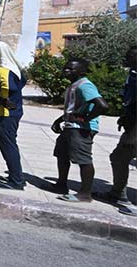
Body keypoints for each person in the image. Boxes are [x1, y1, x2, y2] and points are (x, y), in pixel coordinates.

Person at [51, 58, 108, 203]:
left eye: (71, 69)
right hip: (70, 126)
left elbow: (102, 105)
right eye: (65, 67)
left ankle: (85, 193)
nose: (66, 71)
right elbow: (75, 107)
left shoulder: (85, 85)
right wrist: (60, 120)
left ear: (81, 71)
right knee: (62, 154)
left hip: (80, 129)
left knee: (83, 159)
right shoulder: (74, 85)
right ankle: (61, 185)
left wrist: (85, 118)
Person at [98, 46, 137, 214]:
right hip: (132, 125)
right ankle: (117, 193)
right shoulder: (133, 74)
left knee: (120, 156)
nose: (126, 58)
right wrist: (125, 116)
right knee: (119, 157)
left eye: (131, 55)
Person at [0, 41, 27, 191]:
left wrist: (4, 99)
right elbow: (22, 82)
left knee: (8, 145)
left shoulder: (3, 70)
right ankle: (15, 175)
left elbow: (8, 86)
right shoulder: (13, 67)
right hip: (14, 112)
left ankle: (16, 180)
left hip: (6, 113)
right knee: (10, 143)